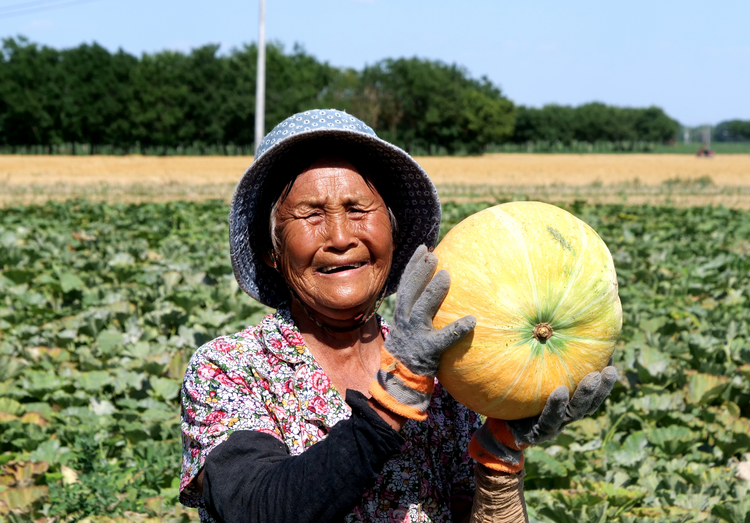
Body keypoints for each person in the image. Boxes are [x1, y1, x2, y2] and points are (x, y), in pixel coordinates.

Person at [178, 109, 617, 523]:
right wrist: (395, 397)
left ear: (393, 232)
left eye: (358, 209)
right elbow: (256, 510)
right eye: (310, 214)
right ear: (271, 252)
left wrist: (499, 458)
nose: (340, 237)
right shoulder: (230, 369)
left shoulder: (450, 368)